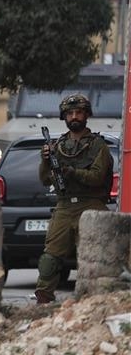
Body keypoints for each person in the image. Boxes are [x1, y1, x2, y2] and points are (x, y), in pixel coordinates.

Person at [35, 93, 113, 304]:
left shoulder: (98, 146)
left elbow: (97, 178)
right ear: (65, 117)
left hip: (91, 205)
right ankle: (43, 300)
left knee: (92, 260)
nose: (75, 116)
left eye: (79, 112)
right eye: (70, 113)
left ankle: (93, 302)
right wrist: (45, 161)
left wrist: (71, 171)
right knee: (50, 258)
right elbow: (44, 179)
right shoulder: (58, 146)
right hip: (65, 206)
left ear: (86, 115)